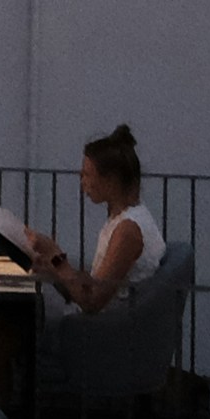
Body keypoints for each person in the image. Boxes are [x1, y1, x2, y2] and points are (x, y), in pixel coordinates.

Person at [16, 125, 167, 314]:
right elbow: (96, 281)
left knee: (17, 307)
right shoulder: (124, 220)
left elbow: (92, 301)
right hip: (105, 320)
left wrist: (55, 254)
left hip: (101, 328)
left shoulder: (127, 231)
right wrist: (52, 270)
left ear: (110, 181)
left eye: (87, 174)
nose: (82, 182)